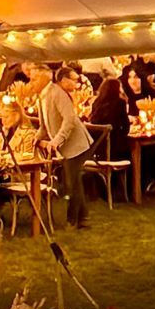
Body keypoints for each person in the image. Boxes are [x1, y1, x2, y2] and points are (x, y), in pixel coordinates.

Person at [34, 64, 94, 230]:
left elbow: (69, 120)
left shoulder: (59, 94)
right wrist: (37, 137)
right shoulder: (44, 95)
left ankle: (73, 219)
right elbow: (44, 125)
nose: (76, 83)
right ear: (63, 79)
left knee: (71, 182)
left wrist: (56, 141)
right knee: (74, 182)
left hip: (77, 144)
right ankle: (82, 219)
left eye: (35, 78)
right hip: (68, 146)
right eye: (74, 80)